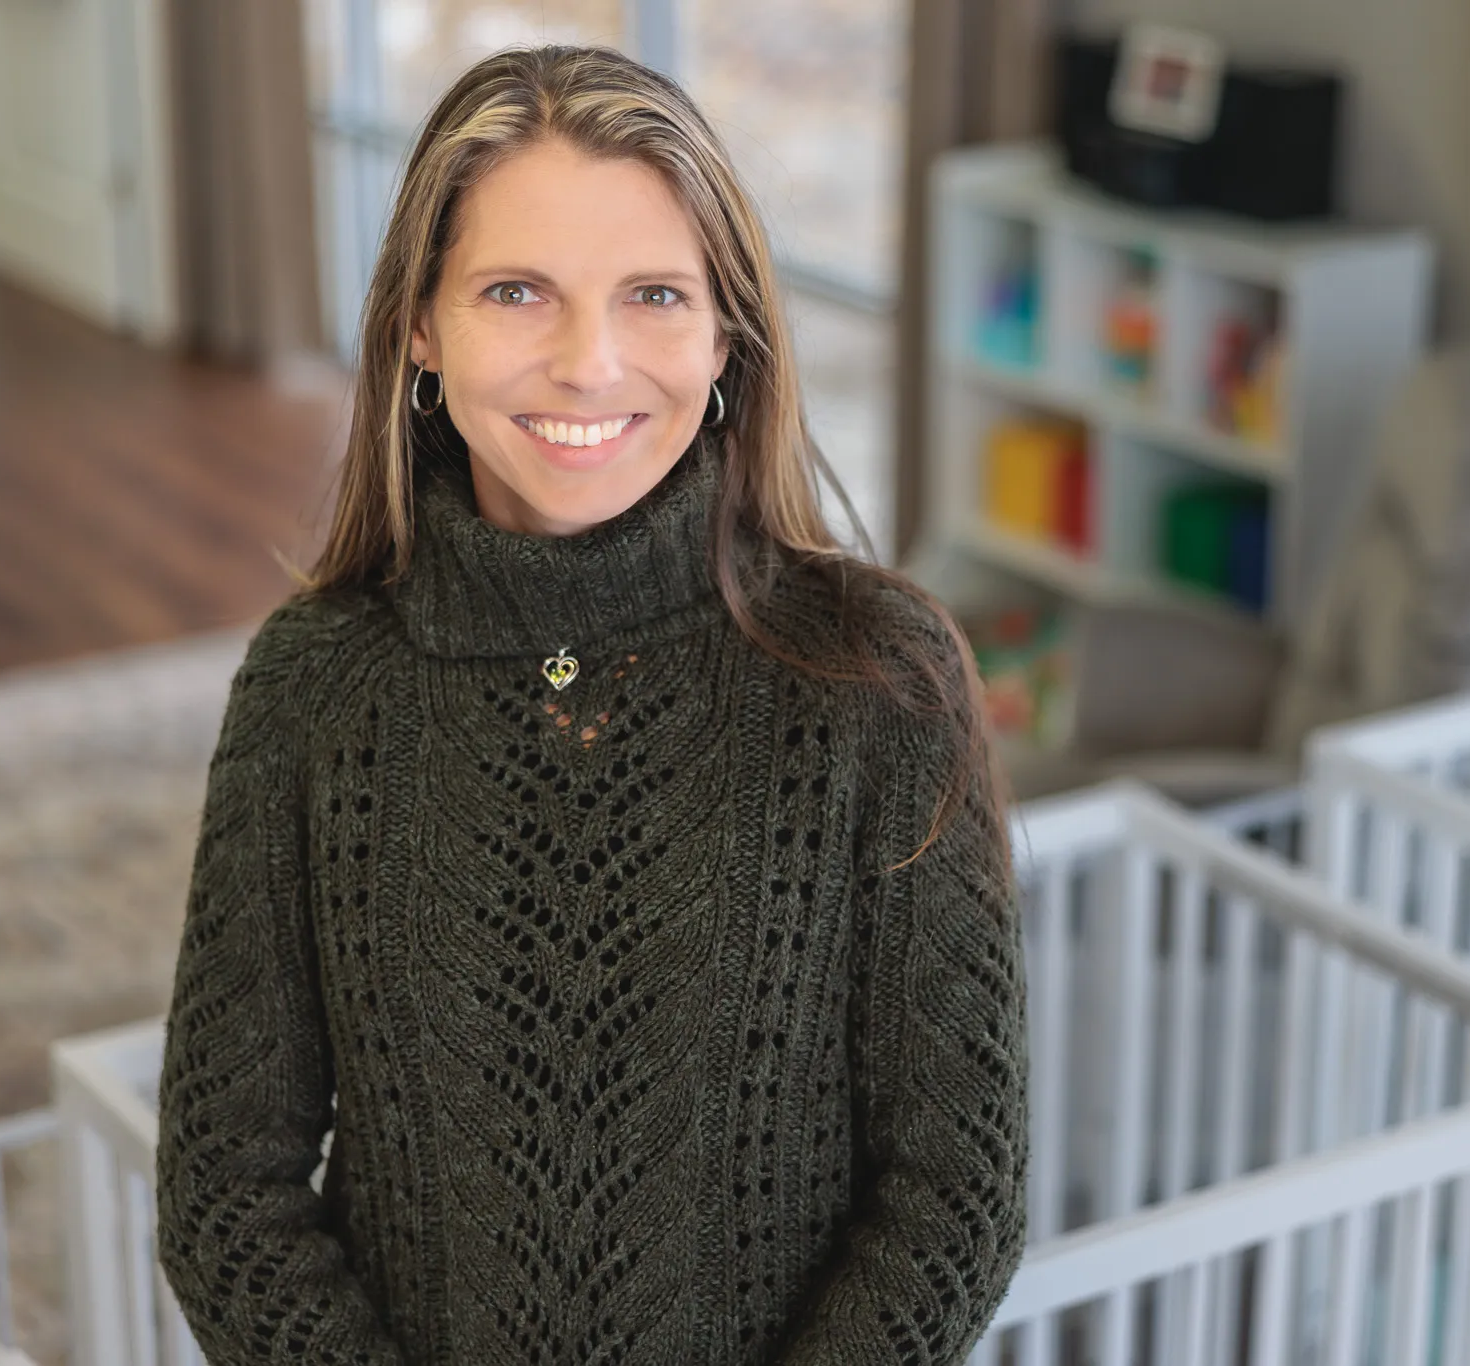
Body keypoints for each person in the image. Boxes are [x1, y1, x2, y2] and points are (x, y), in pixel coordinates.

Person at [152, 42, 1030, 1366]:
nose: (590, 359)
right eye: (517, 291)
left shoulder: (882, 683)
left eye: (655, 295)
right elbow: (227, 1191)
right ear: (422, 329)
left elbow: (954, 1193)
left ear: (726, 332)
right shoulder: (312, 686)